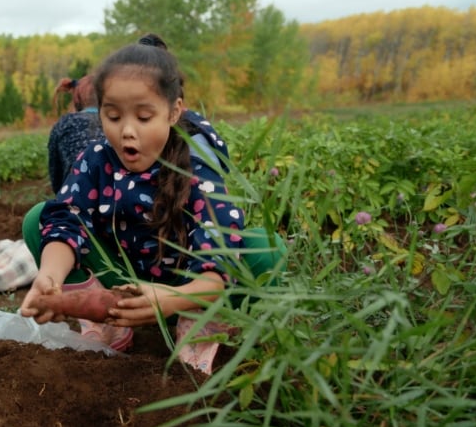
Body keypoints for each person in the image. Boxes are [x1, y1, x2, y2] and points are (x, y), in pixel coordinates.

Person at [19, 38, 286, 374]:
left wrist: (172, 299)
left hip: (189, 290)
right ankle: (110, 321)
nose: (127, 131)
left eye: (144, 117)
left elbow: (217, 259)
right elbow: (67, 217)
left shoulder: (196, 164)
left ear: (174, 112)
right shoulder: (96, 160)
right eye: (113, 116)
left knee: (267, 248)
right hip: (123, 282)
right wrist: (50, 277)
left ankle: (200, 323)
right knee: (39, 219)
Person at [47, 75, 105, 194]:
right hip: (115, 198)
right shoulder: (114, 122)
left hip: (75, 198)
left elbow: (56, 177)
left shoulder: (63, 123)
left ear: (76, 99)